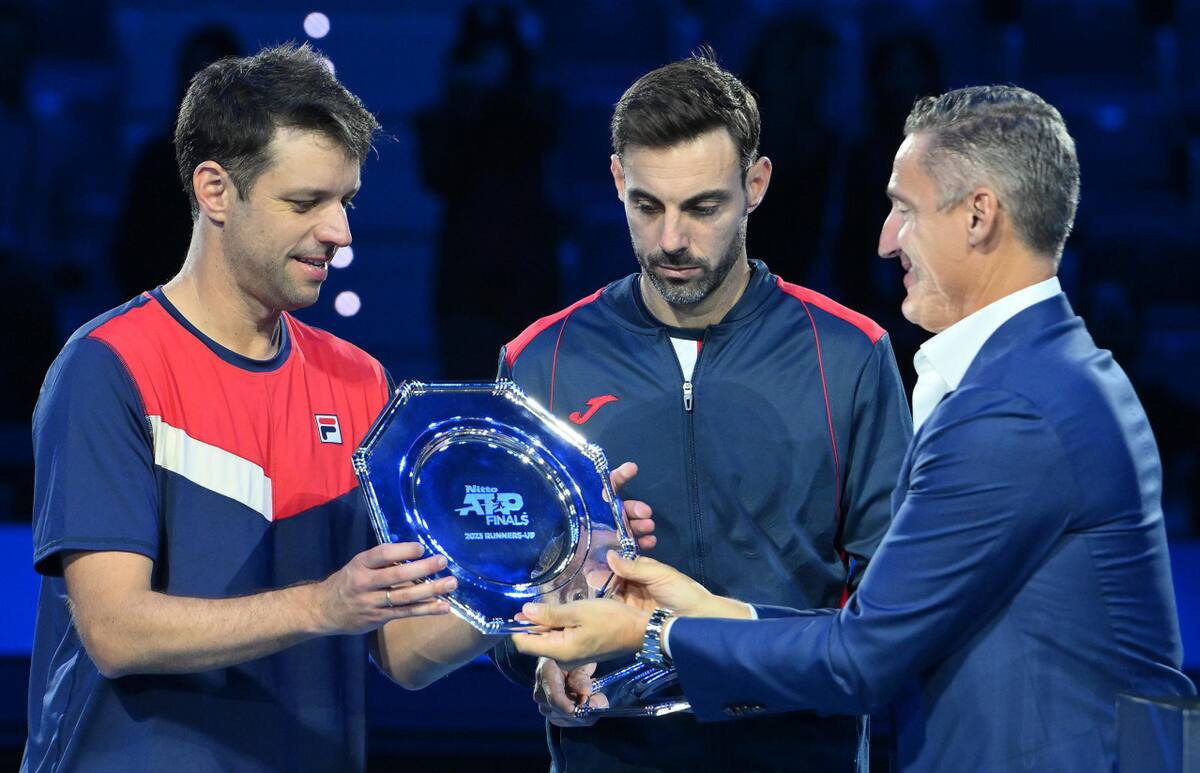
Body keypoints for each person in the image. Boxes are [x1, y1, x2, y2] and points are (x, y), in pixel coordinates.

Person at [513, 85, 1197, 772]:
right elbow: (875, 636)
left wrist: (656, 631)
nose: (885, 239)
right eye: (648, 205)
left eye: (904, 208)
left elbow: (865, 655)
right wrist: (704, 613)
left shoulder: (1010, 408)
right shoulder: (1051, 376)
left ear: (978, 217)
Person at [23, 43, 532, 772]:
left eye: (345, 201)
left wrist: (531, 573)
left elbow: (401, 650)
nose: (340, 232)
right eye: (306, 202)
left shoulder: (361, 383)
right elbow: (115, 628)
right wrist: (321, 604)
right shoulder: (109, 366)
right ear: (215, 191)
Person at [493, 52, 913, 772]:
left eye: (703, 207)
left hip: (800, 749)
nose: (671, 241)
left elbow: (896, 607)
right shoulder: (540, 358)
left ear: (755, 184)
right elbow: (502, 578)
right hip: (611, 753)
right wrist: (532, 658)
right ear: (619, 180)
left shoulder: (849, 354)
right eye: (647, 206)